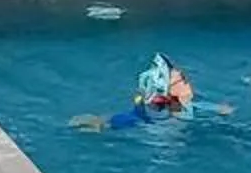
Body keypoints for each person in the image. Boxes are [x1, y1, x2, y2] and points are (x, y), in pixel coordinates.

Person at [74, 55, 227, 129]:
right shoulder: (168, 103)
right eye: (180, 82)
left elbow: (195, 105)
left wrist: (216, 108)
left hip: (145, 110)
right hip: (141, 119)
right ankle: (96, 123)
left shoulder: (175, 100)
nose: (186, 84)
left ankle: (96, 121)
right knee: (114, 122)